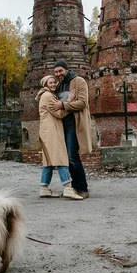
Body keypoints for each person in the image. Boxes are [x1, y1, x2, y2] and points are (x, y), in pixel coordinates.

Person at [36, 75, 83, 200]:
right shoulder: (48, 96)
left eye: (54, 82)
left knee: (49, 160)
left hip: (47, 130)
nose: (53, 84)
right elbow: (59, 113)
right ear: (45, 84)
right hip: (52, 131)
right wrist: (69, 101)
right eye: (50, 82)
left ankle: (44, 188)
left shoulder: (45, 95)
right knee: (61, 157)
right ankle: (68, 188)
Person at [50, 59, 92, 199]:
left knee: (73, 157)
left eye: (60, 70)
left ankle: (82, 188)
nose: (58, 74)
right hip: (62, 124)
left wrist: (64, 105)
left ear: (66, 70)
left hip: (74, 125)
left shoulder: (78, 81)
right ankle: (73, 188)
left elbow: (83, 102)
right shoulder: (59, 84)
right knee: (67, 158)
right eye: (56, 72)